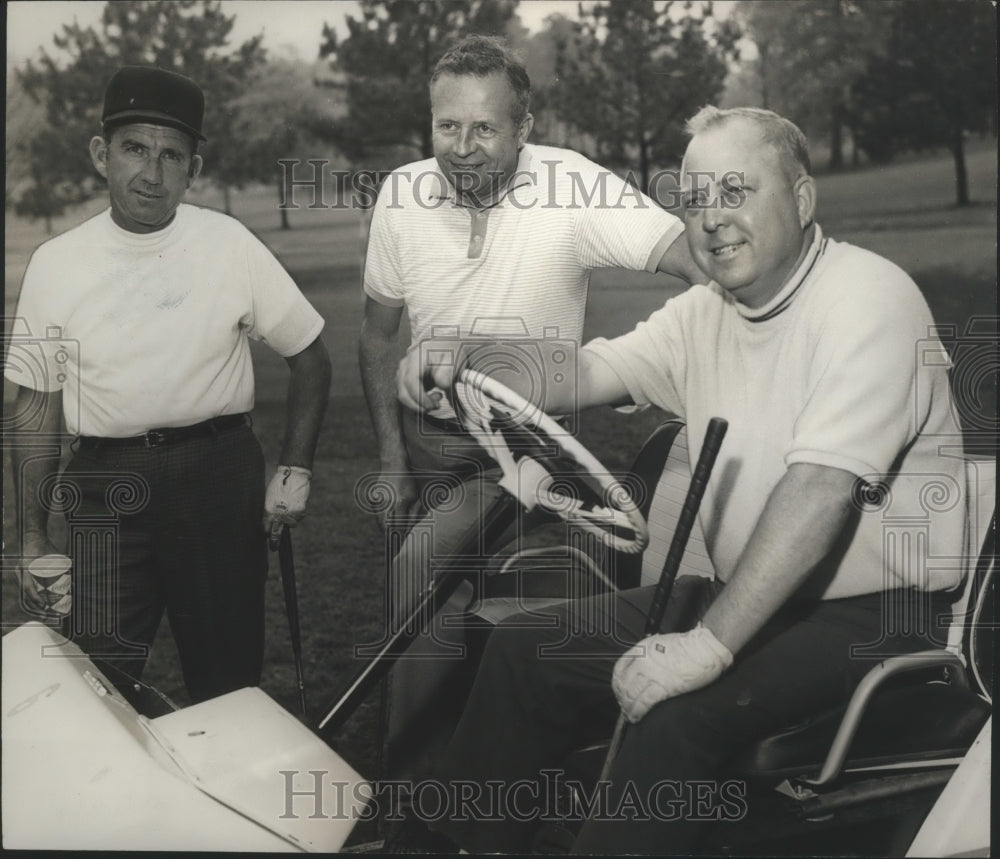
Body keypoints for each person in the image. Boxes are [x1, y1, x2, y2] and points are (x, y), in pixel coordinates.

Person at [396, 105, 967, 853]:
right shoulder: (708, 310)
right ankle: (463, 843)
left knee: (675, 710)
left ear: (800, 200)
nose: (710, 218)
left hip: (872, 621)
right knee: (527, 648)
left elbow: (821, 488)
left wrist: (706, 647)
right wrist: (466, 351)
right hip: (750, 598)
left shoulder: (870, 299)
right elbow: (585, 369)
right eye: (693, 198)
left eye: (735, 190)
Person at [359, 34, 701, 774]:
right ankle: (457, 756)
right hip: (428, 437)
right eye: (446, 126)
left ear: (526, 126)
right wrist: (391, 456)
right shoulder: (400, 195)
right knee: (436, 610)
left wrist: (736, 317)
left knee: (424, 568)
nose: (462, 148)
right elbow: (379, 331)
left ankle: (410, 790)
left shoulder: (571, 186)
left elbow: (690, 254)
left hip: (526, 447)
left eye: (484, 128)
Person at [6, 66, 331, 704]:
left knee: (228, 683)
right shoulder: (56, 263)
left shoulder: (229, 243)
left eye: (170, 155)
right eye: (134, 149)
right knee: (97, 686)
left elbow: (312, 358)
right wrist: (33, 539)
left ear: (194, 169)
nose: (151, 173)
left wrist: (296, 468)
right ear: (102, 155)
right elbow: (36, 408)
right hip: (105, 482)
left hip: (218, 473)